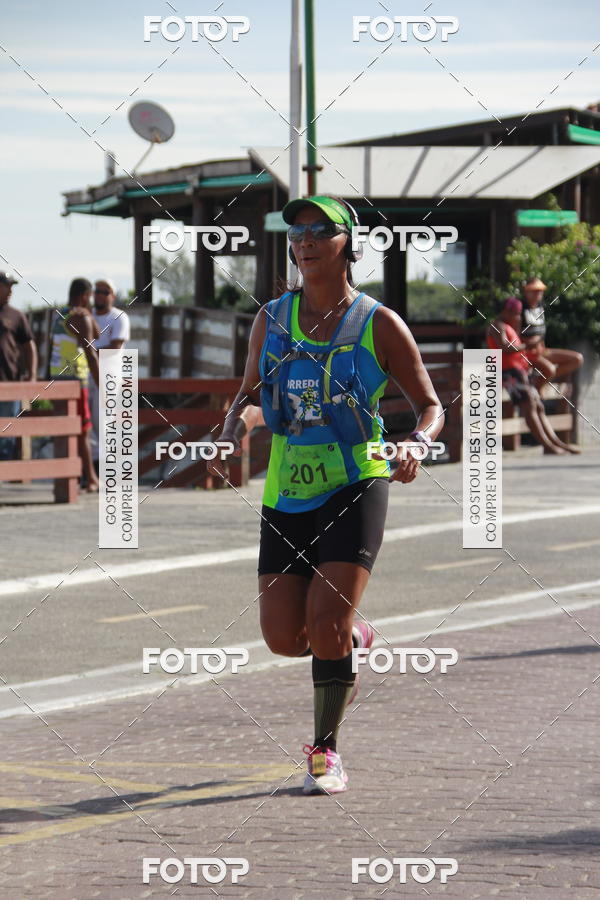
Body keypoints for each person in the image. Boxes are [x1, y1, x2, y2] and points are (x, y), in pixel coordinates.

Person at [209, 195, 444, 794]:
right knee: (286, 639)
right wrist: (233, 430)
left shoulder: (378, 323)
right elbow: (247, 395)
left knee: (327, 620)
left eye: (320, 231)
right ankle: (356, 637)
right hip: (287, 488)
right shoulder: (272, 318)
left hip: (356, 482)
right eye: (298, 232)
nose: (305, 240)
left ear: (348, 245)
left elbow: (431, 406)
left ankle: (325, 752)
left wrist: (415, 443)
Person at [486, 297, 579, 455]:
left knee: (538, 406)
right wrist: (526, 345)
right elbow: (504, 347)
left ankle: (556, 443)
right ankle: (548, 445)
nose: (518, 317)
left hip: (519, 371)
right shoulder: (498, 326)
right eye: (515, 314)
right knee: (529, 407)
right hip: (509, 373)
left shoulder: (508, 326)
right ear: (506, 311)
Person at [49, 278, 100, 491]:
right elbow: (90, 352)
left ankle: (69, 478)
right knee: (83, 431)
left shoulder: (58, 315)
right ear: (85, 296)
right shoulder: (81, 320)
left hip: (56, 377)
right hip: (75, 379)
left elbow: (96, 333)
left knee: (64, 430)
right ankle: (92, 479)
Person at [89, 278, 131, 467]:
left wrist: (87, 351)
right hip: (87, 374)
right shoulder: (88, 316)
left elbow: (115, 346)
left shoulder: (118, 317)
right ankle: (92, 465)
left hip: (108, 376)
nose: (99, 295)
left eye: (104, 292)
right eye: (97, 291)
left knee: (104, 421)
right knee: (87, 421)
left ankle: (107, 467)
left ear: (112, 296)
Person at [0, 271, 38, 461]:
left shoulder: (16, 316)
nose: (10, 291)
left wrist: (31, 376)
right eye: (7, 286)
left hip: (9, 383)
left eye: (12, 287)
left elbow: (29, 346)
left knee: (6, 433)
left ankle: (3, 480)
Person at [520, 277, 583, 389]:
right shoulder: (519, 308)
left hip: (541, 351)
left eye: (540, 291)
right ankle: (537, 389)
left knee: (577, 359)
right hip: (526, 353)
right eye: (534, 291)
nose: (537, 294)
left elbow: (541, 332)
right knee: (550, 369)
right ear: (526, 291)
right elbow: (513, 334)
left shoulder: (540, 307)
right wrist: (528, 342)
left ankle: (539, 381)